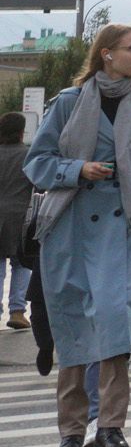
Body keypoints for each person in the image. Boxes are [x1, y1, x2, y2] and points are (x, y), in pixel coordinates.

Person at [23, 23, 131, 447]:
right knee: (72, 328)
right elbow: (37, 162)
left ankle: (110, 427)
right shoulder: (68, 103)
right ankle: (71, 432)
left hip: (123, 228)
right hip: (68, 227)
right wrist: (77, 170)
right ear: (106, 54)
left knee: (115, 324)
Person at [0, 111, 32, 330]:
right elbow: (40, 183)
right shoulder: (28, 156)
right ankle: (18, 311)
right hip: (20, 217)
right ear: (22, 132)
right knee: (21, 263)